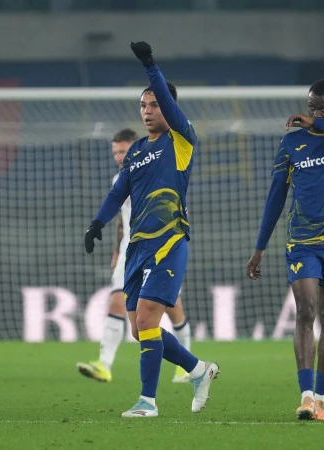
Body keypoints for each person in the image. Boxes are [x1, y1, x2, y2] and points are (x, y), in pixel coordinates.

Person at [84, 42, 219, 418]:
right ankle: (199, 370)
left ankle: (147, 402)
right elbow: (118, 193)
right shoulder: (137, 151)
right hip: (137, 247)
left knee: (147, 320)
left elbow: (166, 100)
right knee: (139, 329)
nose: (146, 111)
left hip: (169, 241)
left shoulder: (182, 140)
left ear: (169, 108)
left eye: (154, 105)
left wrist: (150, 66)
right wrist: (97, 222)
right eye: (142, 106)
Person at [246, 80, 324, 421]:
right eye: (312, 107)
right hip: (301, 240)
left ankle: (322, 401)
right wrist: (259, 248)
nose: (316, 113)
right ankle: (306, 397)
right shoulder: (291, 144)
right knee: (306, 311)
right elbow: (276, 197)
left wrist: (318, 123)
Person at [77, 128, 193, 384]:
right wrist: (117, 250)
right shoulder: (119, 178)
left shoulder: (159, 170)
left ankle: (186, 365)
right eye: (115, 153)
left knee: (173, 309)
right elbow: (122, 217)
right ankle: (104, 364)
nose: (118, 157)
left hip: (162, 248)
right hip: (130, 252)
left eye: (122, 151)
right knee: (116, 302)